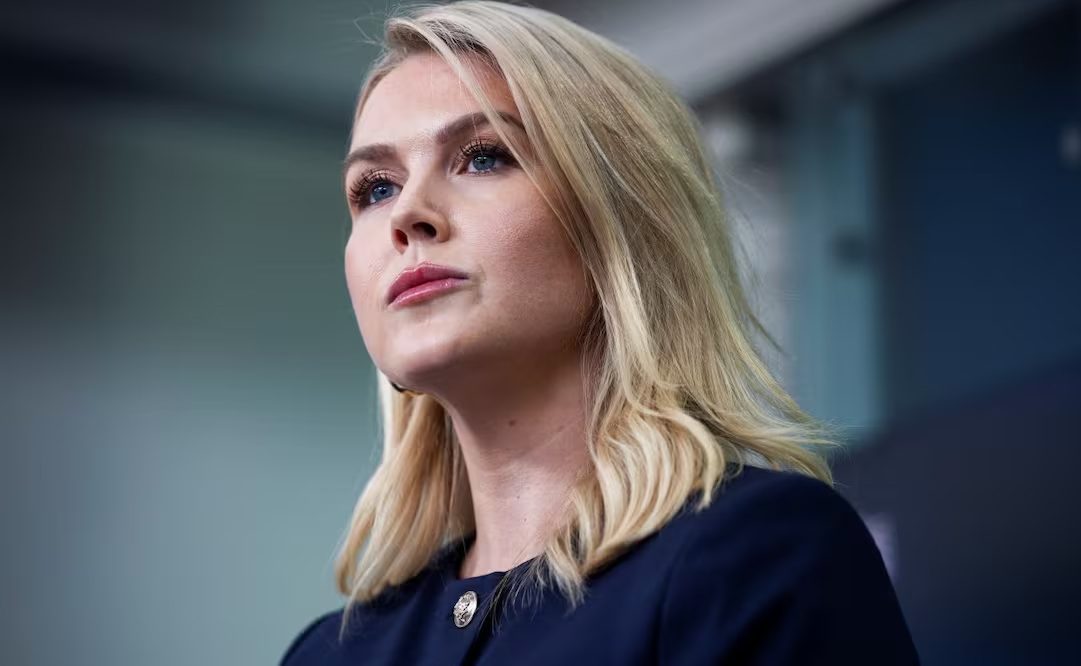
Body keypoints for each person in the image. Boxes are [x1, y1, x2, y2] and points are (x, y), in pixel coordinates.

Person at [280, 1, 920, 664]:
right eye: (375, 188)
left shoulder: (758, 555)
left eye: (483, 157)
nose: (406, 214)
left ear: (622, 221)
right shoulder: (328, 654)